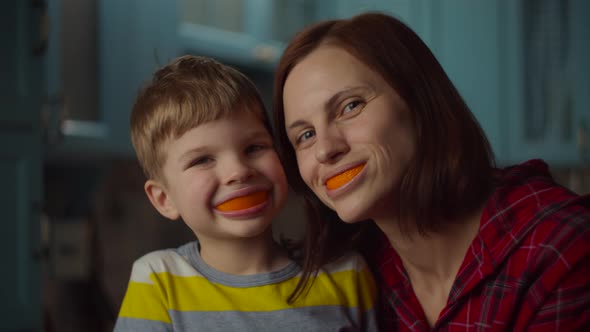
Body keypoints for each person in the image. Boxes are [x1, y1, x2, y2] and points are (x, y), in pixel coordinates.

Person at [272, 12, 590, 331]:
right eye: (306, 135)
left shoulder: (560, 249)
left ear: (419, 100)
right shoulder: (358, 272)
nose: (326, 149)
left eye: (350, 106)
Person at [113, 55, 378, 331]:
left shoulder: (347, 274)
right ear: (163, 199)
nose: (239, 171)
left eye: (254, 148)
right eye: (202, 160)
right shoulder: (158, 280)